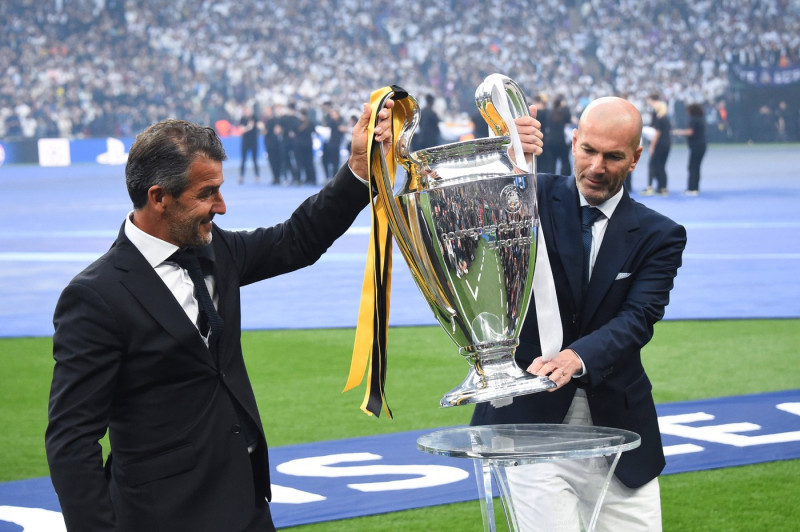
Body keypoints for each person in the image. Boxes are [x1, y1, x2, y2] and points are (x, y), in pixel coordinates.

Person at [45, 98, 397, 532]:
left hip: (247, 504)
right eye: (206, 193)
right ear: (159, 198)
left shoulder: (217, 249)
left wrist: (359, 167)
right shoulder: (96, 296)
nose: (222, 206)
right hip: (163, 517)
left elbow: (298, 240)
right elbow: (71, 440)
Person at [471, 97, 687, 531]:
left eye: (613, 156)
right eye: (588, 150)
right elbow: (463, 235)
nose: (597, 166)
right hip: (530, 423)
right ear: (573, 143)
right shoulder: (528, 196)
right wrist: (503, 161)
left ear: (636, 157)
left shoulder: (660, 235)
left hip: (621, 430)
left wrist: (576, 357)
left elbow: (638, 318)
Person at [672, 103, 707, 195]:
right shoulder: (700, 119)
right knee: (696, 167)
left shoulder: (693, 120)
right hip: (701, 146)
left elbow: (690, 132)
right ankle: (695, 188)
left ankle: (692, 188)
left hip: (696, 146)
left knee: (692, 167)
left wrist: (678, 132)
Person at [642, 94, 671, 196]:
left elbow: (657, 134)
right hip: (667, 145)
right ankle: (662, 188)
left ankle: (650, 187)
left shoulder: (659, 119)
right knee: (661, 166)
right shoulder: (666, 119)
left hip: (659, 145)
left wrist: (652, 146)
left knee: (652, 165)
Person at [238, 105, 261, 184]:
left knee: (255, 160)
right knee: (243, 160)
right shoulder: (242, 119)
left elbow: (259, 126)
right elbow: (241, 130)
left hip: (254, 141)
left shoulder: (255, 117)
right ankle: (241, 177)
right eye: (246, 110)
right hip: (245, 142)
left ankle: (257, 176)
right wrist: (248, 127)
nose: (248, 112)